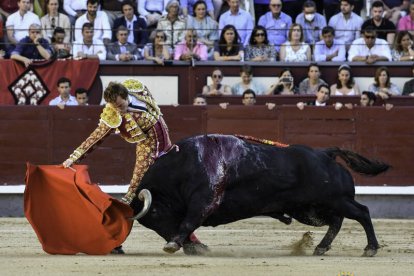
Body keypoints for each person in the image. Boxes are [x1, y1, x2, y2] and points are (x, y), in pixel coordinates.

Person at [62, 79, 173, 205]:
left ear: (126, 96)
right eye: (115, 107)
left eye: (120, 106)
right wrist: (73, 158)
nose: (119, 110)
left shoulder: (137, 88)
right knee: (138, 176)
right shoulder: (112, 114)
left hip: (163, 133)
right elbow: (95, 138)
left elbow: (153, 106)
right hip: (146, 142)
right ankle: (128, 203)